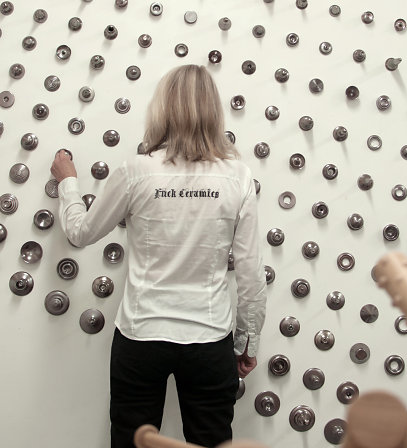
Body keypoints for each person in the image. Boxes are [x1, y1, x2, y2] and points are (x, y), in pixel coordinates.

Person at [50, 64, 267, 448]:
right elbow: (250, 272)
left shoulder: (137, 171)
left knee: (132, 442)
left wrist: (68, 181)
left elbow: (81, 232)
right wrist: (247, 342)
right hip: (208, 339)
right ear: (214, 111)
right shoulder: (238, 177)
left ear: (163, 108)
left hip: (141, 337)